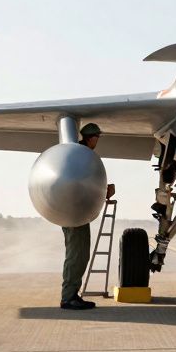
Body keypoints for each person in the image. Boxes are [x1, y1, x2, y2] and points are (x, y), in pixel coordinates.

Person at [60, 122, 115, 310]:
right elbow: (83, 184)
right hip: (75, 213)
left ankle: (72, 294)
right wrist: (104, 190)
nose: (97, 141)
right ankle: (68, 298)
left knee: (78, 255)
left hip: (74, 211)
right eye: (97, 137)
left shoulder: (79, 154)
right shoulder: (84, 155)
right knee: (77, 256)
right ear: (92, 138)